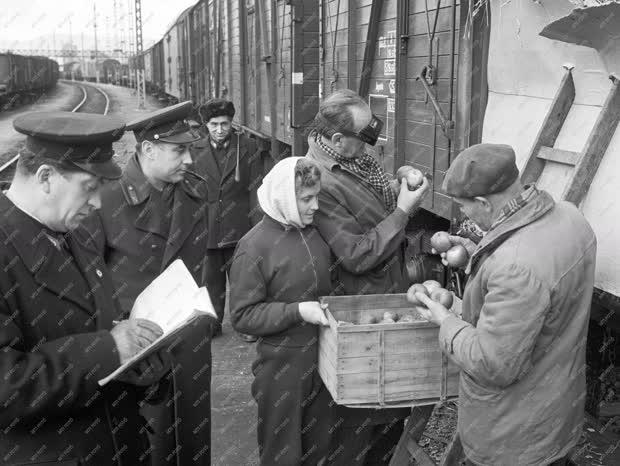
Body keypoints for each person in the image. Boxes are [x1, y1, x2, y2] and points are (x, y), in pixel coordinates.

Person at [0, 111, 168, 465]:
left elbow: (92, 323)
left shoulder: (69, 233)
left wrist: (136, 366)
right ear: (46, 177)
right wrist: (109, 349)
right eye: (89, 188)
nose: (97, 204)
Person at [415, 143, 597, 466]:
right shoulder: (572, 218)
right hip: (557, 413)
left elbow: (493, 364)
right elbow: (543, 291)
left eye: (464, 206)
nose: (463, 214)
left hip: (513, 439)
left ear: (484, 202)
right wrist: (479, 254)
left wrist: (445, 320)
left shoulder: (514, 268)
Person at [83, 101, 214, 466]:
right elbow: (88, 280)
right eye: (180, 150)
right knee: (145, 444)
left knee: (192, 438)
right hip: (136, 348)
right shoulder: (105, 199)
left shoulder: (194, 193)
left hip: (188, 342)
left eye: (190, 149)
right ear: (148, 149)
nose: (190, 160)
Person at [305, 89, 430, 464]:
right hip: (363, 305)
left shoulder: (352, 160)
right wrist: (403, 212)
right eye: (365, 137)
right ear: (336, 139)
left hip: (387, 292)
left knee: (391, 409)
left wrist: (398, 186)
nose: (373, 144)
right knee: (362, 420)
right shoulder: (321, 182)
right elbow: (357, 255)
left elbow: (369, 207)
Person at [229, 157, 335, 465]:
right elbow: (243, 316)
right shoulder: (253, 248)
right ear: (285, 198)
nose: (315, 206)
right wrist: (297, 311)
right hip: (281, 370)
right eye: (306, 199)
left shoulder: (312, 233)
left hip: (322, 361)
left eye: (317, 197)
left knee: (320, 449)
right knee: (283, 455)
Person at [190, 98, 264, 339]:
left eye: (224, 124)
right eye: (214, 124)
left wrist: (257, 229)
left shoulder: (249, 147)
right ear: (205, 125)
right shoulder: (193, 150)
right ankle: (212, 323)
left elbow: (255, 189)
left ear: (232, 122)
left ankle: (246, 325)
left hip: (239, 226)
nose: (219, 130)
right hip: (207, 228)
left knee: (243, 280)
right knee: (210, 281)